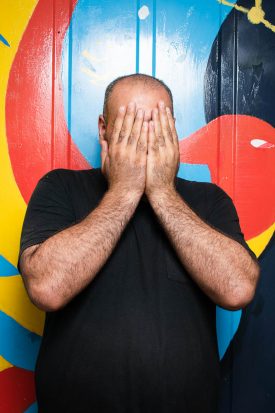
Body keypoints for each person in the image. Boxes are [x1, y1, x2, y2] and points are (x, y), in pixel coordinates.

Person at [17, 73, 260, 413]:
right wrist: (124, 191)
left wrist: (161, 191)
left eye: (154, 124)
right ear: (103, 129)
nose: (142, 138)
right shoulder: (60, 188)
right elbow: (46, 287)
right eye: (128, 124)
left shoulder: (209, 201)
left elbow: (238, 290)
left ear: (172, 129)